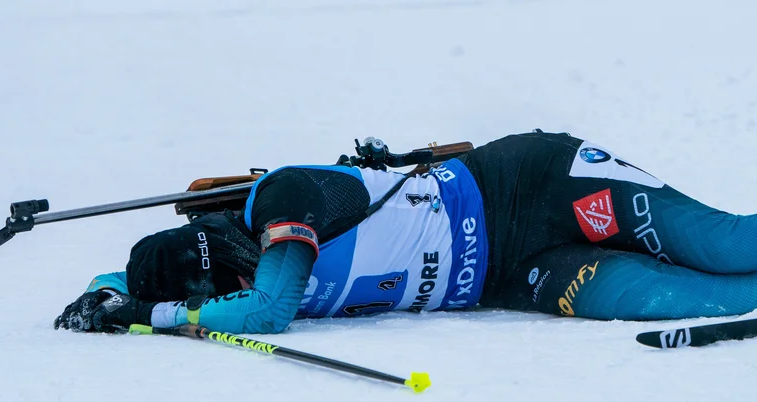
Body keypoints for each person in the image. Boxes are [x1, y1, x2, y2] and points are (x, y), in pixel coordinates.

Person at [55, 130, 757, 334]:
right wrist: (107, 291)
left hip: (534, 184)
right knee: (710, 299)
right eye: (226, 289)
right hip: (512, 276)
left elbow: (266, 312)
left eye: (238, 273)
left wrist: (153, 314)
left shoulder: (286, 201)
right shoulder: (222, 272)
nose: (252, 285)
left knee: (729, 246)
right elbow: (141, 281)